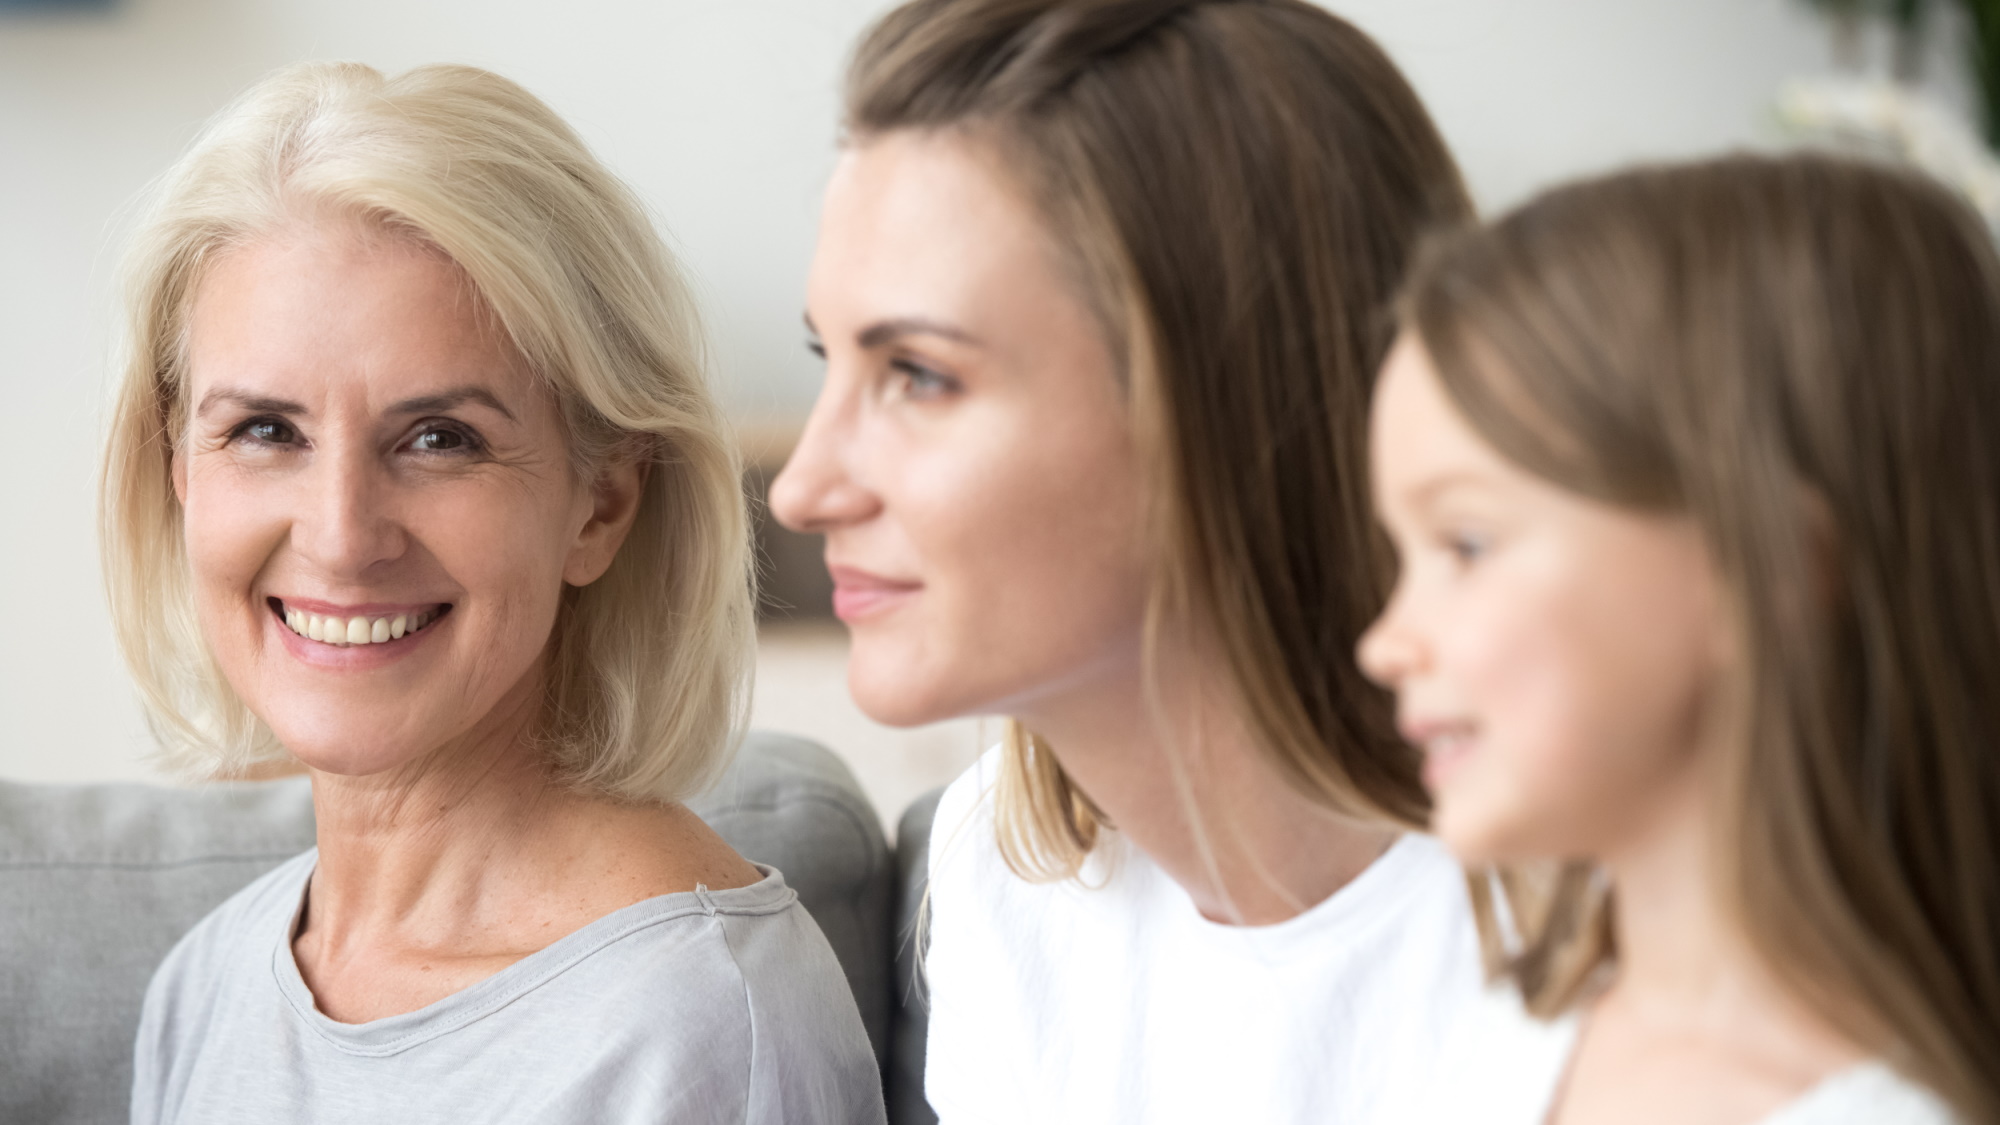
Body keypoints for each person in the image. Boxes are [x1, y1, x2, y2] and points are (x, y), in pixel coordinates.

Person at [110, 61, 885, 1124]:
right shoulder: (205, 986)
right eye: (265, 431)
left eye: (439, 439)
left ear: (601, 505)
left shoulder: (697, 1018)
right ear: (179, 473)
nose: (340, 537)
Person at [770, 1, 1493, 1120]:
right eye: (832, 361)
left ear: (1223, 401)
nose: (802, 488)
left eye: (916, 374)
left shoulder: (1593, 953)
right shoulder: (1005, 884)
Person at [1360, 153, 2000, 1124]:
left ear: (1765, 570)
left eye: (1465, 543)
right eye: (1399, 553)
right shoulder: (1501, 1039)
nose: (1384, 644)